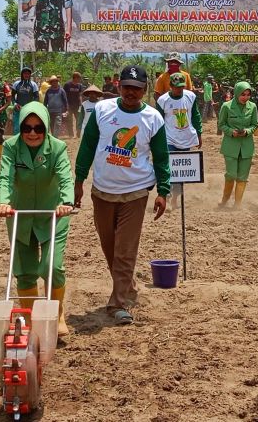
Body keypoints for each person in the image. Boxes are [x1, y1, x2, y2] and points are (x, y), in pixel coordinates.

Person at [74, 65, 170, 325]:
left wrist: (163, 191)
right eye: (127, 87)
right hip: (102, 191)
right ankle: (129, 288)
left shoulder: (153, 118)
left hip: (136, 192)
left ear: (145, 90)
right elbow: (87, 146)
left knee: (125, 250)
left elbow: (162, 157)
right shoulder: (103, 111)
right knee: (110, 248)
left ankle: (118, 304)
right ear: (118, 86)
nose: (131, 92)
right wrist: (79, 180)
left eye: (137, 89)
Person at [0, 101, 74, 336]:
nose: (32, 133)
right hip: (20, 215)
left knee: (52, 266)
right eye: (26, 128)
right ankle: (29, 318)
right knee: (25, 271)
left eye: (38, 128)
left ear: (46, 128)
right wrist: (3, 202)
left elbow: (65, 176)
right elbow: (5, 178)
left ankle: (58, 314)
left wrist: (66, 202)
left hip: (53, 215)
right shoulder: (11, 146)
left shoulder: (57, 147)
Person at [156, 72, 203, 211]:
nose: (179, 90)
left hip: (186, 138)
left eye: (181, 87)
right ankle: (168, 197)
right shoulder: (162, 100)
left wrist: (199, 133)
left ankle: (176, 199)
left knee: (182, 171)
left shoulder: (191, 97)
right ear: (170, 86)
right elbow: (158, 121)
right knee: (169, 169)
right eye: (176, 87)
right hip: (169, 139)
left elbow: (195, 115)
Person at [218, 81, 258, 208]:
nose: (245, 97)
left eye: (248, 95)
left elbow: (255, 124)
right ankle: (224, 201)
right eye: (242, 94)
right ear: (236, 93)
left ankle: (237, 204)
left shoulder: (253, 107)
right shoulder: (226, 106)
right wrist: (231, 132)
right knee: (231, 174)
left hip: (247, 146)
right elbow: (221, 124)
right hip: (230, 146)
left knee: (242, 177)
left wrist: (247, 131)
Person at [12, 66, 40, 135]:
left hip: (29, 110)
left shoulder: (33, 84)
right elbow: (12, 96)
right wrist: (15, 104)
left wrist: (32, 107)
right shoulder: (16, 84)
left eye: (28, 74)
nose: (26, 75)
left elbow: (36, 97)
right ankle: (17, 144)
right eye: (25, 73)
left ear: (30, 75)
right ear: (22, 74)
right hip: (18, 109)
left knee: (28, 127)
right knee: (17, 128)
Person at [64, 71, 84, 138]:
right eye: (79, 78)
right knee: (70, 120)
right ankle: (71, 134)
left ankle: (78, 134)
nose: (79, 80)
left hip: (77, 105)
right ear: (75, 78)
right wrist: (65, 105)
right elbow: (64, 95)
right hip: (69, 105)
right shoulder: (67, 85)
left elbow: (80, 95)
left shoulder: (80, 86)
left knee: (78, 120)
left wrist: (81, 104)